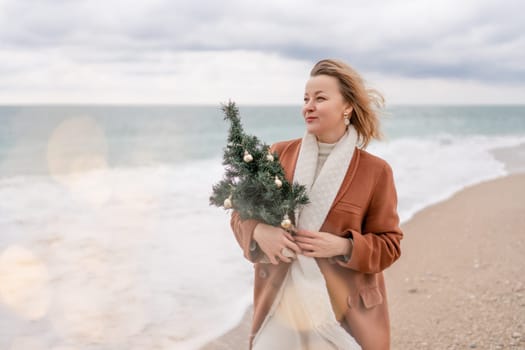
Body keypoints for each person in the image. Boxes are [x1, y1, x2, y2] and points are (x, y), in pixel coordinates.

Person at [230, 58, 403, 350]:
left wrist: (344, 246)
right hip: (280, 301)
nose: (308, 106)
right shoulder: (278, 155)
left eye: (320, 98)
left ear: (347, 106)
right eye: (306, 98)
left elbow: (390, 245)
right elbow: (239, 215)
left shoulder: (375, 171)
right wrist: (260, 232)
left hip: (341, 310)